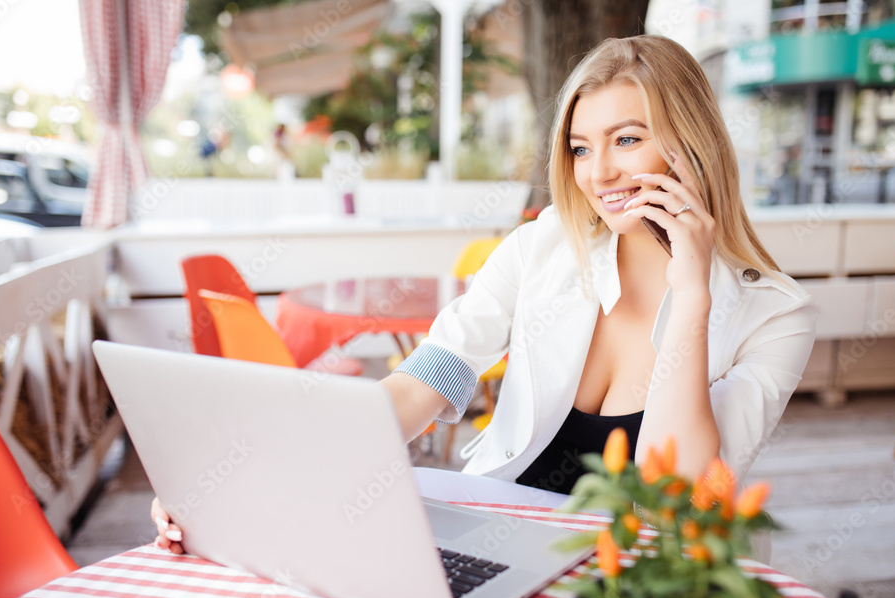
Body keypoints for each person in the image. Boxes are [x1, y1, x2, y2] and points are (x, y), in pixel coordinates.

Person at [152, 35, 816, 553]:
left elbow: (686, 491)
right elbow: (435, 372)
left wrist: (691, 297)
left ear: (690, 142)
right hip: (498, 538)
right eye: (581, 148)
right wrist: (251, 478)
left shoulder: (775, 316)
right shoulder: (546, 245)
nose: (599, 172)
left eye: (628, 139)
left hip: (635, 582)